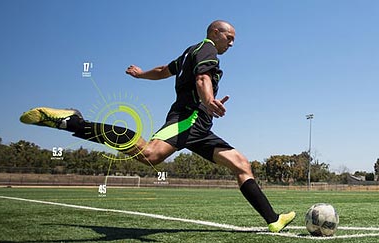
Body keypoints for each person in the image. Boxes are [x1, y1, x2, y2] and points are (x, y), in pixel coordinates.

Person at [20, 20, 296, 232]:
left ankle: (273, 220)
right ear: (215, 32)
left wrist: (141, 75)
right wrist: (209, 99)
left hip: (199, 126)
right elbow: (202, 78)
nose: (232, 44)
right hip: (189, 118)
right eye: (229, 37)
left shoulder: (191, 52)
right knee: (151, 154)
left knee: (241, 165)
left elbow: (165, 70)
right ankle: (75, 122)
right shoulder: (208, 49)